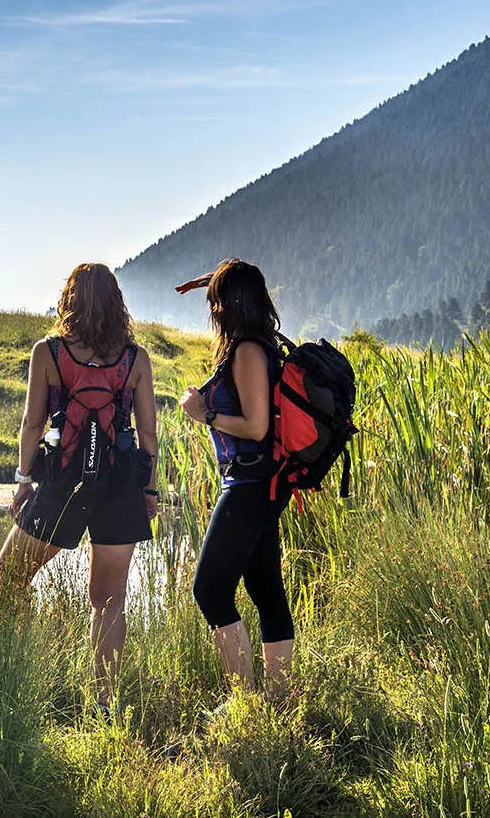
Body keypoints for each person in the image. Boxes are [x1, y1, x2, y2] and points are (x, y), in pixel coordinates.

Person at [0, 263, 160, 713]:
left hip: (62, 484)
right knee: (109, 602)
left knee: (10, 575)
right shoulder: (136, 360)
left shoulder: (47, 353)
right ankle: (104, 705)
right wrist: (149, 492)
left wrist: (24, 480)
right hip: (120, 487)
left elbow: (32, 423)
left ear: (68, 300)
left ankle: (8, 677)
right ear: (117, 303)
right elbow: (148, 434)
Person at [176, 258, 292, 702]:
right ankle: (278, 700)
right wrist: (214, 279)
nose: (212, 310)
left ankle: (245, 701)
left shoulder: (246, 352)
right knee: (266, 590)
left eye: (216, 301)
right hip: (262, 483)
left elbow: (256, 427)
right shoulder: (260, 343)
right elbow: (244, 278)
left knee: (209, 590)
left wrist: (203, 413)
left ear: (229, 305)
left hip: (248, 485)